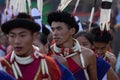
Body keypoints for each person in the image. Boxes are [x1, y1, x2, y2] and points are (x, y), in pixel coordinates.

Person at [47, 11, 98, 80]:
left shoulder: (88, 54)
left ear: (72, 31)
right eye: (53, 29)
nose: (55, 33)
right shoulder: (48, 55)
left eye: (59, 29)